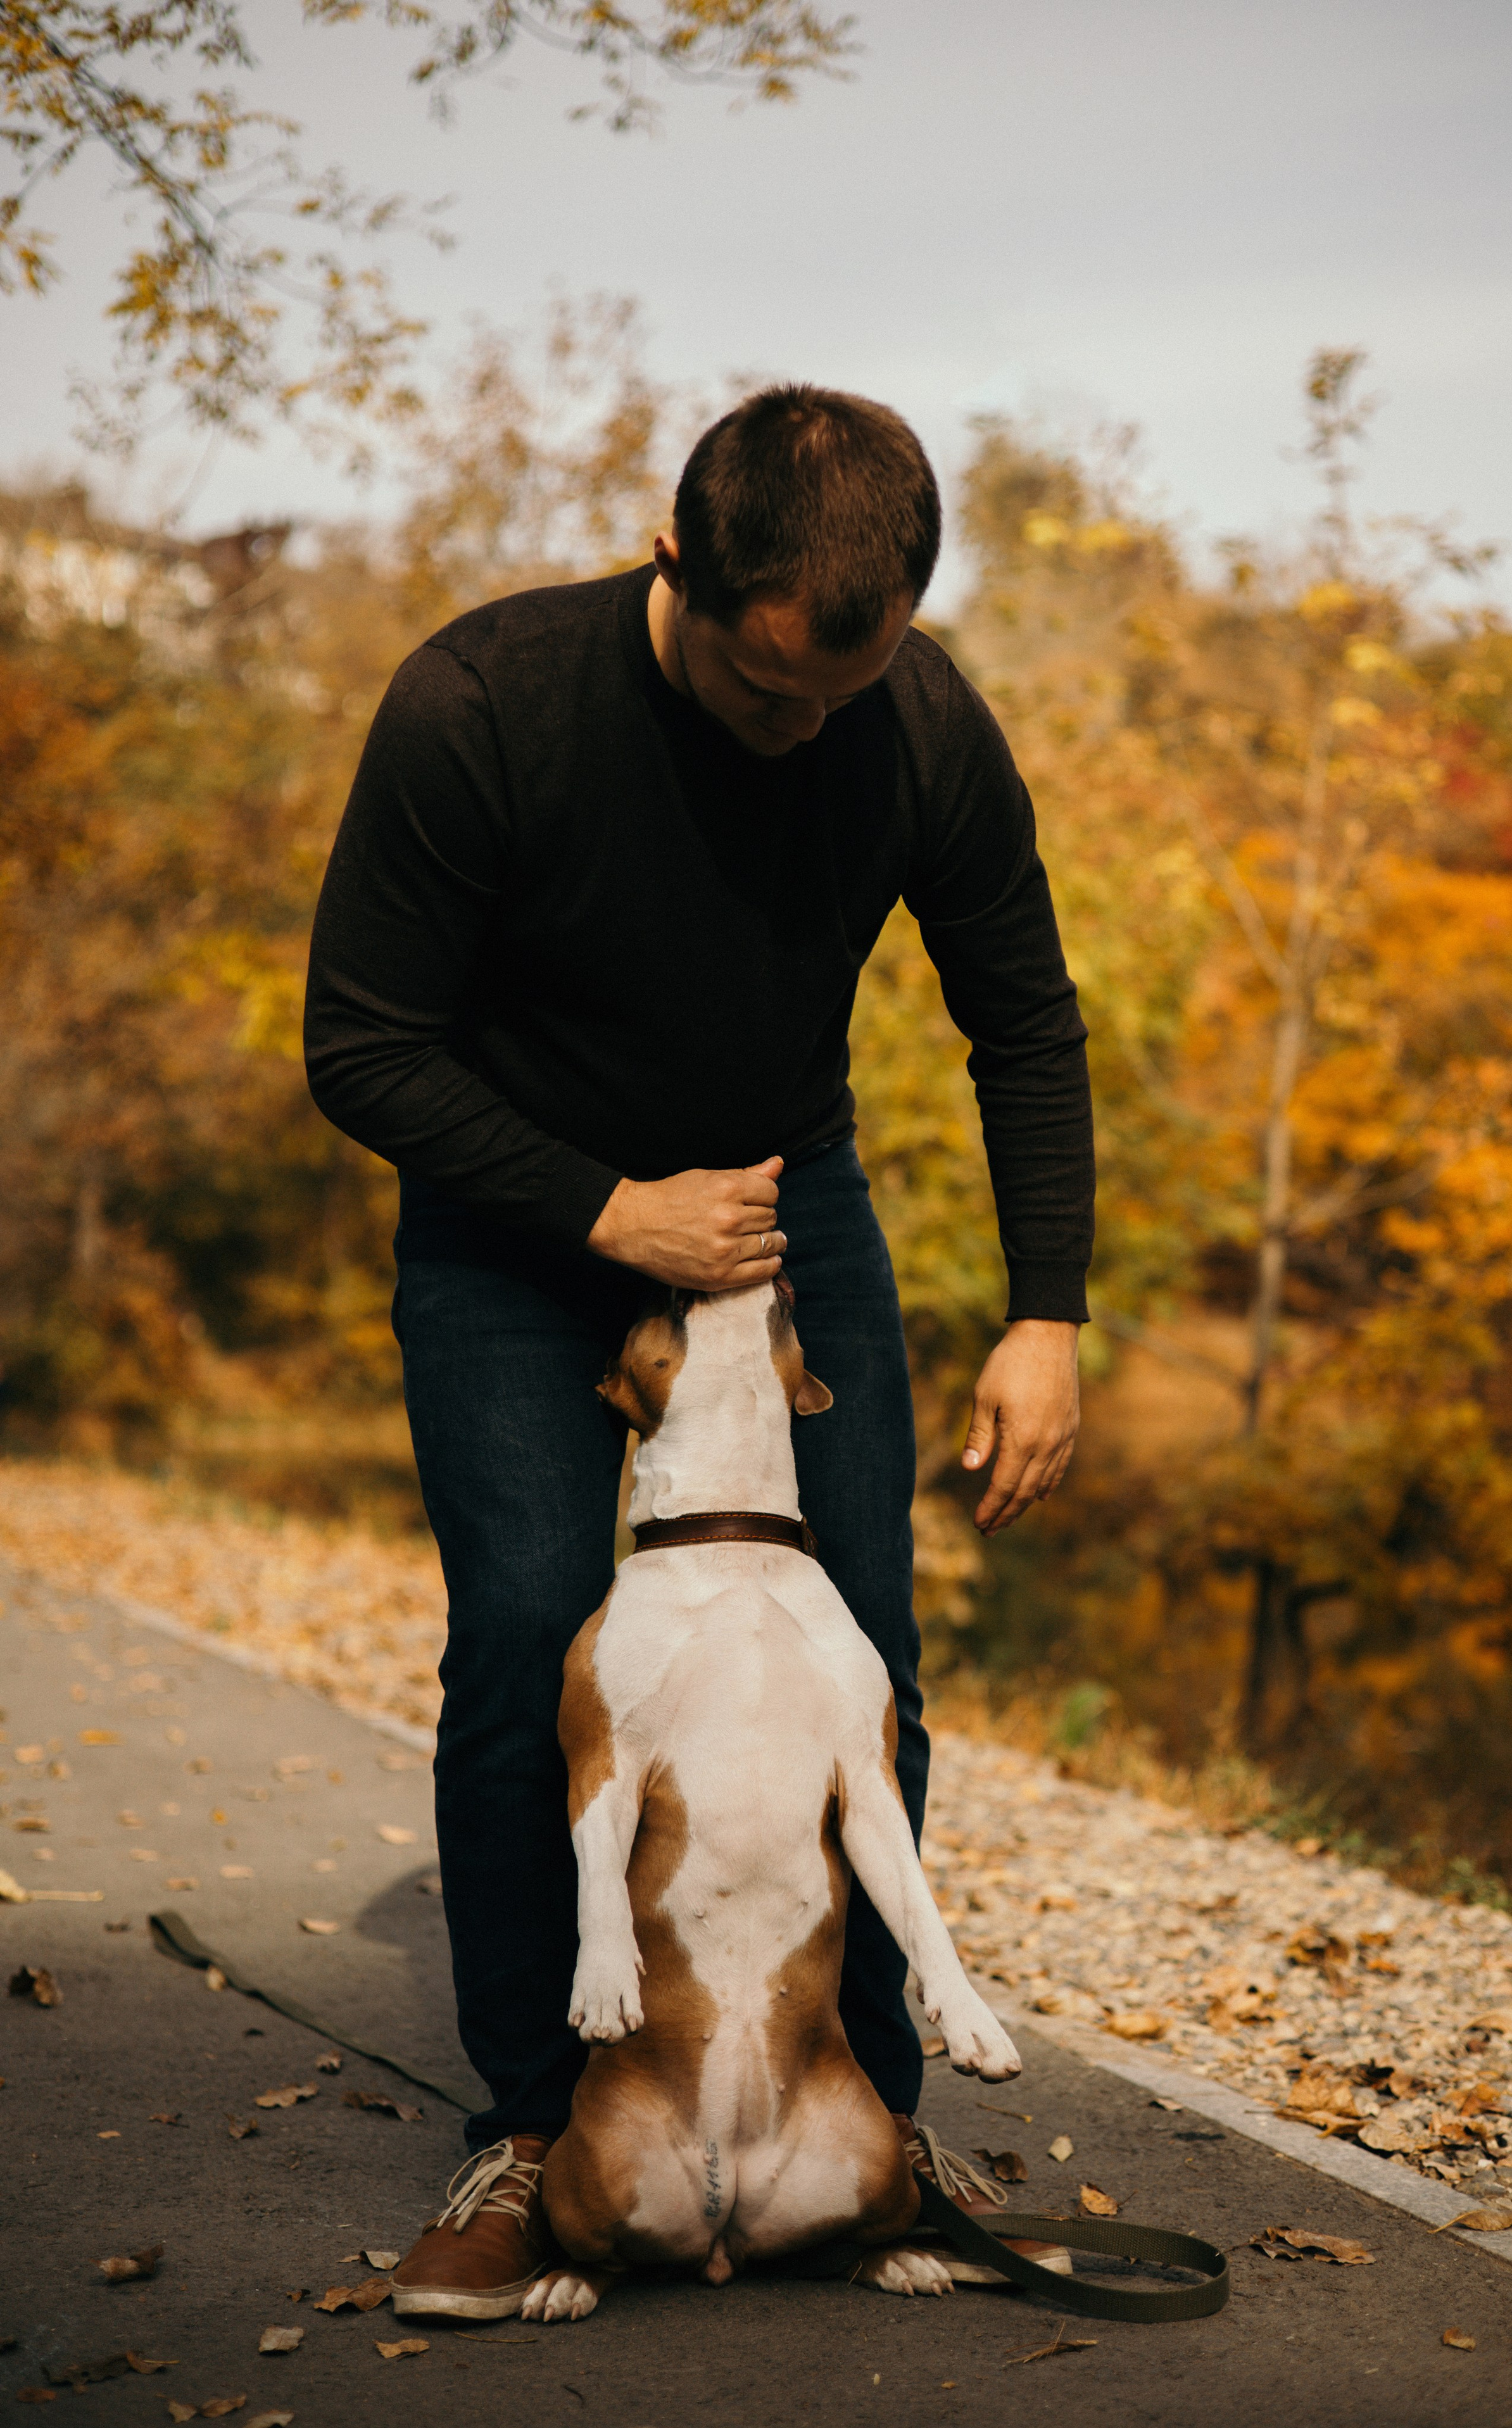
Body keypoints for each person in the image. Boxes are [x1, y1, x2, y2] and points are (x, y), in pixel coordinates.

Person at [304, 384, 1094, 2318]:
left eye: (845, 691)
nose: (805, 730)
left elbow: (1022, 1020)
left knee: (868, 1650)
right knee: (523, 1644)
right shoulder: (482, 708)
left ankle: (871, 2114)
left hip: (773, 1217)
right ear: (675, 564)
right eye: (766, 691)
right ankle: (532, 2128)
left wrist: (1048, 1311)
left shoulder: (919, 723)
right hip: (518, 1225)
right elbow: (362, 1046)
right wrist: (602, 1210)